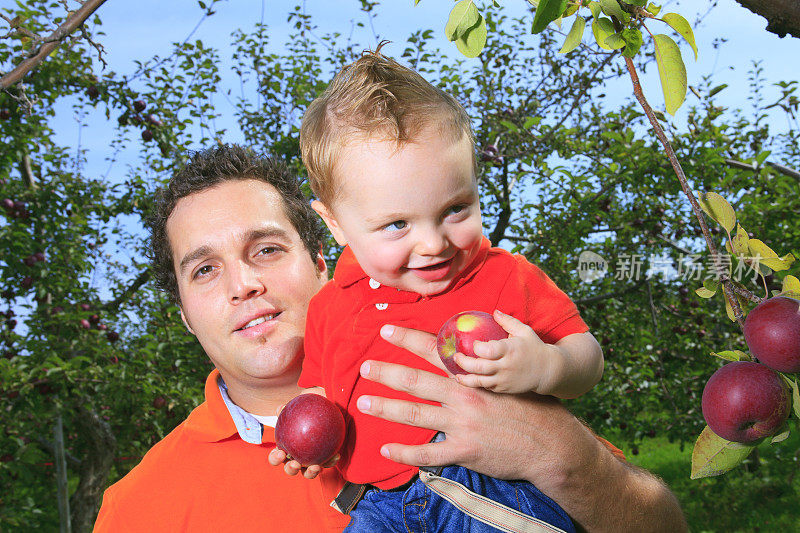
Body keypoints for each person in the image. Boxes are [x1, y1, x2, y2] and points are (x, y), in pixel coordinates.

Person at [94, 144, 687, 532]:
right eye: (204, 269)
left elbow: (665, 527)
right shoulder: (139, 508)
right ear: (185, 315)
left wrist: (556, 453)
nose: (244, 284)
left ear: (327, 259)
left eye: (267, 249)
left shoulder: (449, 376)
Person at [281, 48, 604, 531]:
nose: (434, 243)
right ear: (335, 224)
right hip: (374, 505)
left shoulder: (502, 277)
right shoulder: (329, 306)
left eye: (456, 208)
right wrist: (307, 443)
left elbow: (588, 357)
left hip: (487, 487)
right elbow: (318, 392)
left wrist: (547, 366)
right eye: (396, 224)